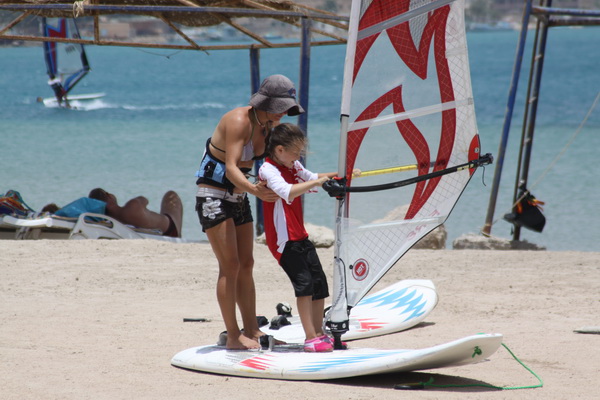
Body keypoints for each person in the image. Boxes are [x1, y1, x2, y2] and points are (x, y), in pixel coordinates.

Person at [194, 74, 303, 350]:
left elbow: (276, 162)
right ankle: (233, 336)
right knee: (229, 266)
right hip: (214, 196)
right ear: (267, 103)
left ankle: (252, 330)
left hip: (239, 196)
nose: (283, 114)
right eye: (282, 108)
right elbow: (231, 167)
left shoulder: (266, 127)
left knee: (247, 264)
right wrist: (255, 191)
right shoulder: (239, 120)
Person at [258, 123, 339, 352]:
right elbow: (287, 191)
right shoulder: (268, 170)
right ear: (280, 149)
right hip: (284, 241)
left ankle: (320, 332)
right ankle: (310, 337)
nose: (298, 156)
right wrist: (315, 182)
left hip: (300, 235)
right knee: (304, 287)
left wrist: (343, 174)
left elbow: (313, 177)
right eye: (295, 152)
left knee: (319, 284)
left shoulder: (292, 165)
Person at [88, 188, 183, 238]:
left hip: (149, 236)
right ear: (109, 196)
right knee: (171, 195)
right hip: (170, 229)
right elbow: (145, 200)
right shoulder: (132, 206)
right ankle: (179, 237)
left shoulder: (108, 223)